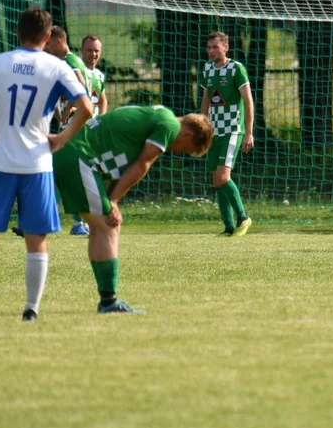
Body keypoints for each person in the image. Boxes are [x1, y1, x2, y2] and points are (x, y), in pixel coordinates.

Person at [0, 8, 92, 323]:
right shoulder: (56, 67)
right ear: (48, 36)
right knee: (36, 239)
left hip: (0, 161)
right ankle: (30, 310)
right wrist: (62, 138)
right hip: (37, 164)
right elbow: (86, 107)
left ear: (18, 33)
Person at [53, 107, 213, 313]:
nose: (180, 152)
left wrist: (111, 198)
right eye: (186, 149)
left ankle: (107, 300)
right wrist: (113, 201)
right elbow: (141, 165)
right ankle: (109, 303)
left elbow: (123, 162)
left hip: (74, 153)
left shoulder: (160, 115)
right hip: (79, 158)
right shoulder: (170, 126)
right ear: (188, 134)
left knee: (101, 227)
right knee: (107, 227)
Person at [198, 32, 254, 237]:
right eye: (209, 47)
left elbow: (248, 101)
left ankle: (243, 217)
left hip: (233, 130)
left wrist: (249, 133)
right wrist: (203, 126)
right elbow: (206, 99)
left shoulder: (235, 68)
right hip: (214, 131)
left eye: (215, 47)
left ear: (226, 47)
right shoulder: (207, 69)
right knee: (216, 179)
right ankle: (229, 227)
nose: (211, 51)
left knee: (223, 176)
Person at [43, 25, 93, 236]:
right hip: (76, 126)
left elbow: (81, 87)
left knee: (62, 173)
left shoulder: (69, 62)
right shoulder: (75, 62)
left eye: (48, 45)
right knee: (60, 173)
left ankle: (79, 222)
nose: (46, 50)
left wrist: (71, 108)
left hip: (75, 127)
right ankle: (69, 220)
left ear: (58, 42)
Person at [81, 34, 108, 116]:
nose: (93, 54)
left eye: (96, 51)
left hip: (93, 126)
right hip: (73, 126)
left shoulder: (99, 75)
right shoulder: (75, 71)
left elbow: (102, 101)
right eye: (89, 50)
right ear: (82, 50)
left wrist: (101, 119)